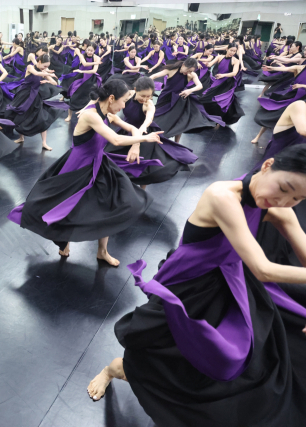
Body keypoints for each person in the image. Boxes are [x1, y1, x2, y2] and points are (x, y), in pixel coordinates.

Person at [88, 143, 306, 427]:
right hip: (188, 285)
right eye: (285, 188)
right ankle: (114, 369)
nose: (284, 201)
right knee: (164, 354)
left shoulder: (278, 208)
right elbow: (262, 269)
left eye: (298, 198)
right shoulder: (221, 196)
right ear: (267, 166)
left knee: (228, 362)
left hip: (229, 283)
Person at [8, 80, 164, 262]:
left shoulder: (108, 113)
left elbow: (131, 128)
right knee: (67, 206)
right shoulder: (91, 116)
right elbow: (115, 140)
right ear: (111, 98)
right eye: (123, 101)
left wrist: (136, 144)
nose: (124, 106)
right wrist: (145, 139)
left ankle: (102, 251)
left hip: (99, 163)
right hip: (78, 166)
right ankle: (63, 240)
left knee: (109, 205)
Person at [104, 77, 198, 189]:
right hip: (127, 128)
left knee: (145, 164)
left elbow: (149, 119)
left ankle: (142, 191)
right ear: (135, 90)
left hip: (144, 132)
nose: (145, 99)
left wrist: (142, 130)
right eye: (143, 96)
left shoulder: (149, 105)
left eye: (149, 96)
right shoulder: (128, 95)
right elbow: (108, 98)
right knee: (110, 155)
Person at [0, 54, 67, 151]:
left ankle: (44, 143)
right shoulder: (30, 67)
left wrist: (47, 81)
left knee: (42, 118)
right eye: (45, 66)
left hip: (35, 97)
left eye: (47, 66)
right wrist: (48, 74)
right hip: (24, 95)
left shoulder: (43, 72)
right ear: (39, 61)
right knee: (20, 116)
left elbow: (55, 83)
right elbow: (36, 73)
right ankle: (21, 138)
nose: (45, 68)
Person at [149, 58, 223, 143]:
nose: (188, 72)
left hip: (179, 99)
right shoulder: (171, 70)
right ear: (183, 65)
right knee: (157, 116)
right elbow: (153, 76)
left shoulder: (191, 74)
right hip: (165, 98)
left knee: (179, 122)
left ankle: (177, 143)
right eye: (188, 70)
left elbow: (200, 86)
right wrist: (149, 90)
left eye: (191, 71)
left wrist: (190, 90)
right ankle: (152, 135)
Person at [198, 43, 245, 126]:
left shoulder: (235, 61)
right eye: (231, 50)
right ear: (227, 49)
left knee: (222, 101)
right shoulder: (219, 57)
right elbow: (210, 64)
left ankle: (220, 118)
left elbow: (234, 73)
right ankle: (209, 116)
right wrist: (202, 62)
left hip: (227, 83)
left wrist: (223, 75)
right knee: (207, 97)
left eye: (234, 51)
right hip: (218, 81)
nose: (232, 52)